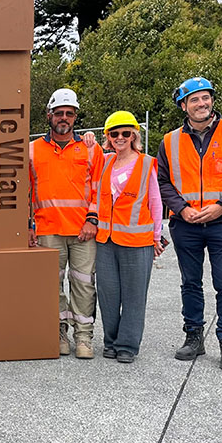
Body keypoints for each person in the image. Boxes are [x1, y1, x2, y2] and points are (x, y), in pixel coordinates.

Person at [158, 77, 222, 371]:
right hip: (185, 223)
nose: (202, 104)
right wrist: (181, 209)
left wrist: (221, 207)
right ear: (183, 106)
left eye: (206, 98)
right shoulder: (169, 140)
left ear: (212, 100)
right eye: (194, 100)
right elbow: (163, 181)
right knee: (190, 283)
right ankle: (193, 336)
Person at [28, 88, 104, 359]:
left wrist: (92, 219)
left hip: (83, 232)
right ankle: (58, 332)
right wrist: (29, 226)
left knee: (84, 285)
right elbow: (26, 191)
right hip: (47, 230)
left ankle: (83, 337)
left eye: (69, 114)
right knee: (51, 286)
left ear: (75, 117)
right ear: (48, 116)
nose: (63, 118)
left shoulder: (91, 149)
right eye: (58, 113)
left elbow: (98, 187)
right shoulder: (32, 150)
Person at [94, 111, 165, 364]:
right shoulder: (104, 162)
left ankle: (127, 345)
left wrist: (157, 237)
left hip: (138, 242)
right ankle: (110, 341)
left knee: (134, 296)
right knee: (108, 294)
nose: (120, 138)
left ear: (134, 135)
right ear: (108, 138)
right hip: (106, 240)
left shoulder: (146, 163)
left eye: (126, 133)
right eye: (115, 134)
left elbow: (156, 202)